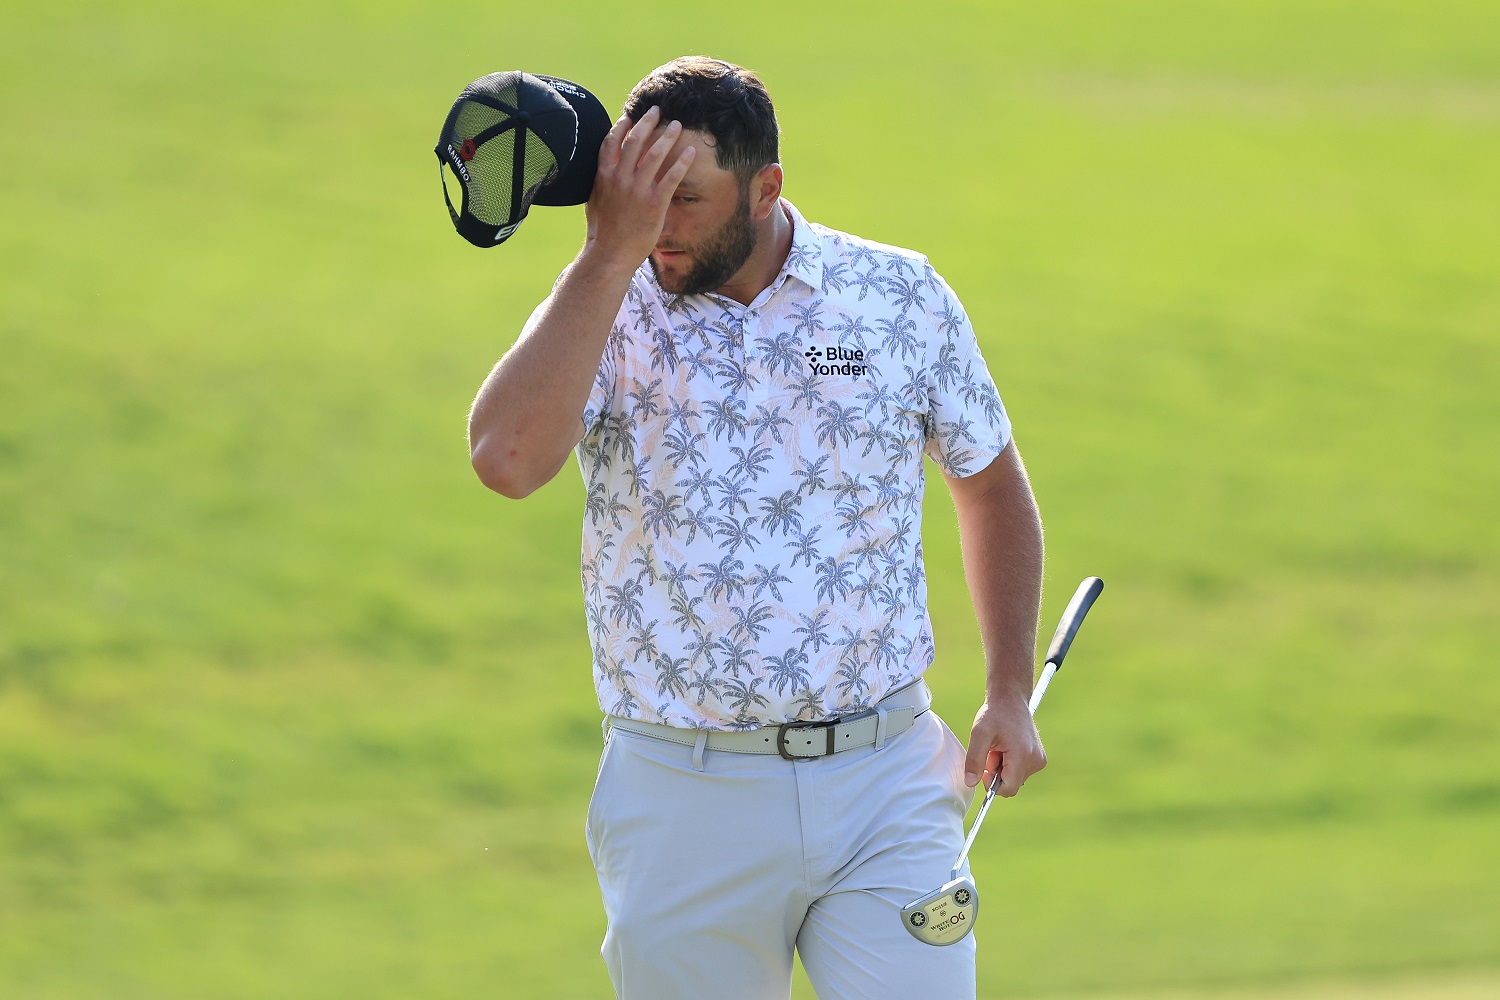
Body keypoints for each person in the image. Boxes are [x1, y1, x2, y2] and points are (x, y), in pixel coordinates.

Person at [467, 56, 1045, 1000]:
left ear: (767, 186)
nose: (658, 228)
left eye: (684, 200)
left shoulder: (896, 296)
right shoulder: (607, 306)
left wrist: (1009, 687)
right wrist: (606, 254)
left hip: (887, 782)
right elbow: (506, 461)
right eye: (637, 197)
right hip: (683, 796)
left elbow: (988, 483)